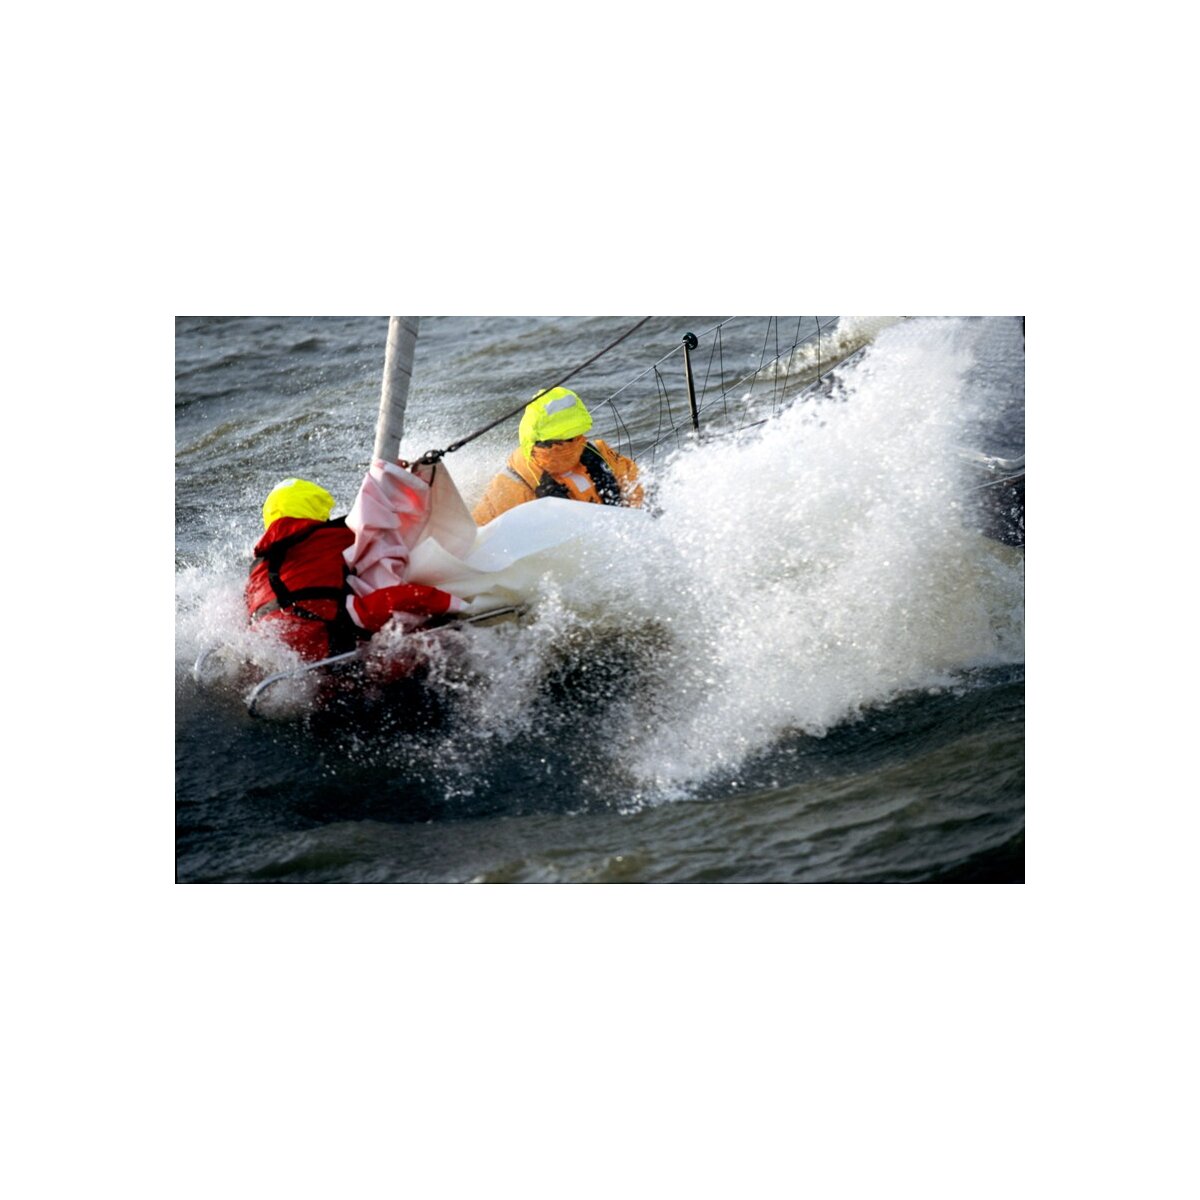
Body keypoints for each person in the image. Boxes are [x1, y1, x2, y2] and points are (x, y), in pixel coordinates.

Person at [246, 476, 463, 662]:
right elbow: (380, 531)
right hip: (327, 639)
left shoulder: (257, 568)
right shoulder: (332, 536)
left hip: (272, 649)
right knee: (414, 603)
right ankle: (465, 609)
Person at [471, 387, 644, 525]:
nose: (569, 443)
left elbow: (638, 489)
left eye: (571, 437)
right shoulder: (514, 482)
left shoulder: (599, 451)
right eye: (565, 438)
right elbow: (481, 533)